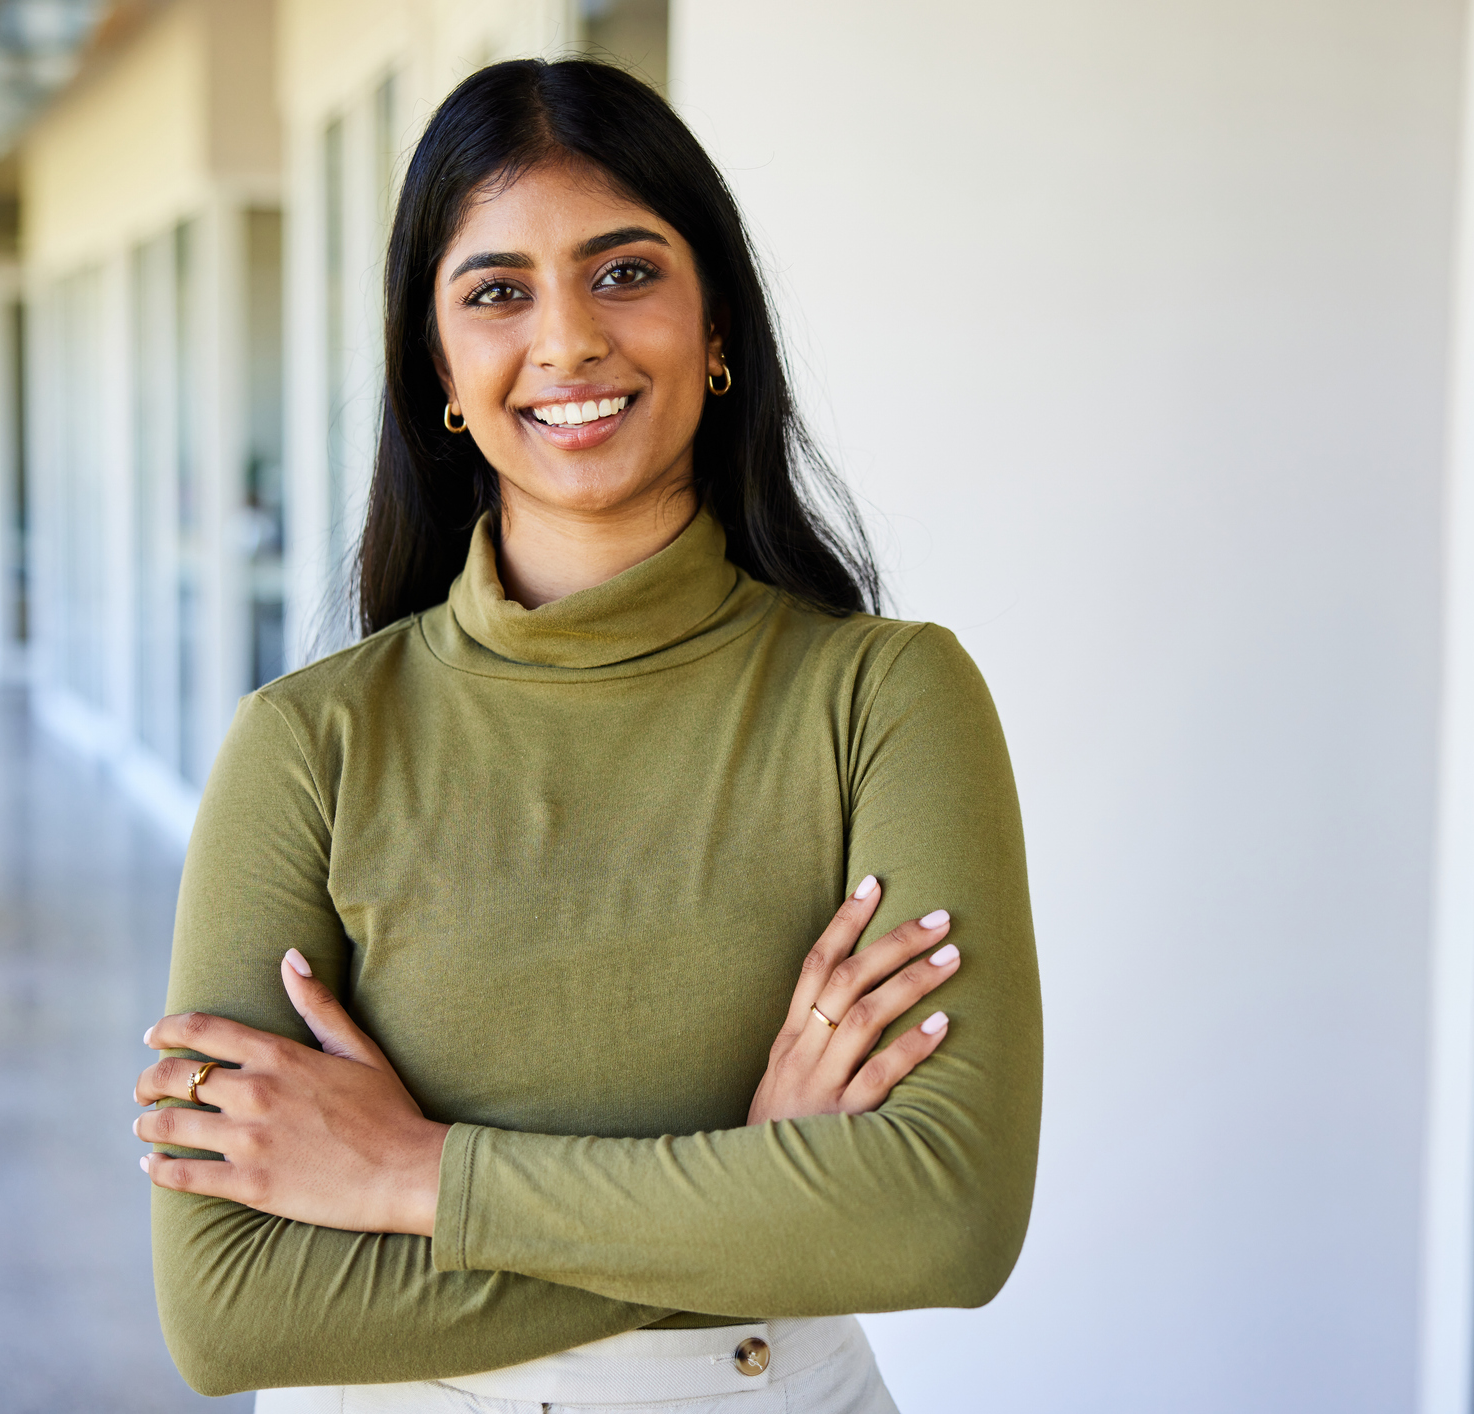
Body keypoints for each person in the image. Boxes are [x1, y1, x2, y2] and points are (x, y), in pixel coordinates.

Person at [132, 58, 1041, 1413]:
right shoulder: (306, 746)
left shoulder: (886, 701)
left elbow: (946, 1217)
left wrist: (411, 1174)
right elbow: (227, 1310)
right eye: (496, 291)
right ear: (438, 364)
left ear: (716, 319)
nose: (565, 342)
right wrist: (754, 1187)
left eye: (625, 271)